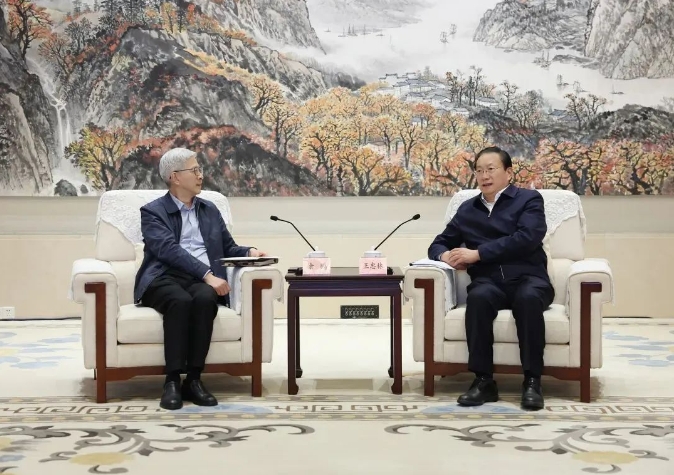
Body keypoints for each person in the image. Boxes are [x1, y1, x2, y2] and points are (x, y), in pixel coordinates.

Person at [134, 148, 268, 410]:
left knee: (206, 299)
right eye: (194, 170)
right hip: (163, 277)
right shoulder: (152, 212)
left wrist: (249, 252)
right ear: (175, 177)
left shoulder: (209, 209)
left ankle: (194, 379)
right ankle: (172, 380)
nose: (200, 175)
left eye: (200, 169)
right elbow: (168, 250)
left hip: (199, 281)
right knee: (180, 301)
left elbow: (227, 247)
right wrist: (207, 275)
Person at [428, 146, 554, 410]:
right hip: (489, 281)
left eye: (491, 169)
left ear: (508, 172)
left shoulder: (529, 199)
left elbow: (527, 238)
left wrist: (478, 254)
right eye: (479, 170)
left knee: (528, 299)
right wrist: (445, 256)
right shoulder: (468, 209)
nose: (484, 176)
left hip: (528, 277)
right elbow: (439, 243)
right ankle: (483, 381)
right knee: (478, 299)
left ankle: (532, 381)